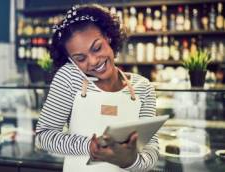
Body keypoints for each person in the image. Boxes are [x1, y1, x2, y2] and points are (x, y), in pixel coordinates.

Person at [35, 4, 159, 172]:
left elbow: (151, 152)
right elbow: (44, 136)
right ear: (71, 60)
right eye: (80, 58)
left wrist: (129, 161)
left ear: (108, 37)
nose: (93, 61)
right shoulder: (70, 77)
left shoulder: (143, 88)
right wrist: (89, 146)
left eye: (97, 48)